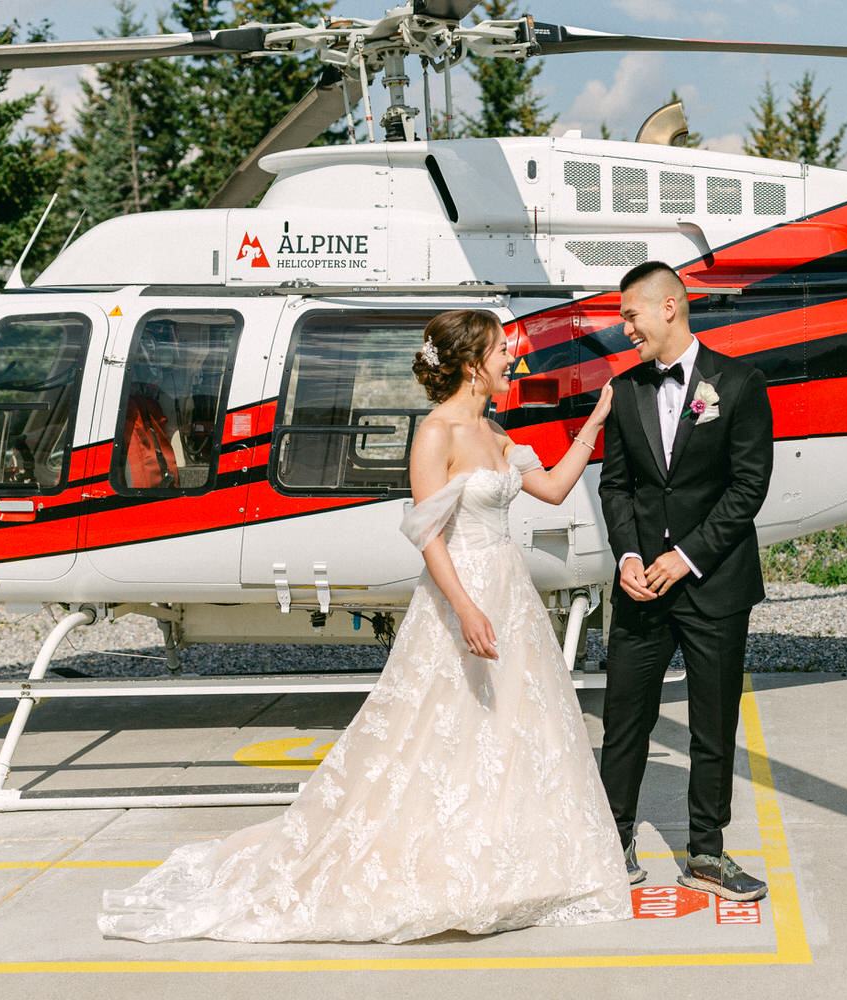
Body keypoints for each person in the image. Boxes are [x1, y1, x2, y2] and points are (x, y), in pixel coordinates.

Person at [98, 309, 629, 943]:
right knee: (435, 721)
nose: (510, 358)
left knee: (510, 723)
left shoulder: (495, 430)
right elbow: (429, 535)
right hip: (462, 591)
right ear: (471, 364)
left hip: (510, 589)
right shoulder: (437, 434)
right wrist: (464, 608)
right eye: (500, 349)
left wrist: (596, 421)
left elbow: (556, 487)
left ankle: (504, 852)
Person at [598, 261, 774, 902]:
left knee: (712, 723)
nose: (625, 330)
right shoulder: (625, 389)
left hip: (714, 586)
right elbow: (615, 486)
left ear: (668, 307)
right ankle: (611, 842)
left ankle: (707, 851)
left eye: (629, 315)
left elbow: (748, 486)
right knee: (625, 719)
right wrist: (626, 558)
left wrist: (688, 557)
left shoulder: (740, 382)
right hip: (640, 586)